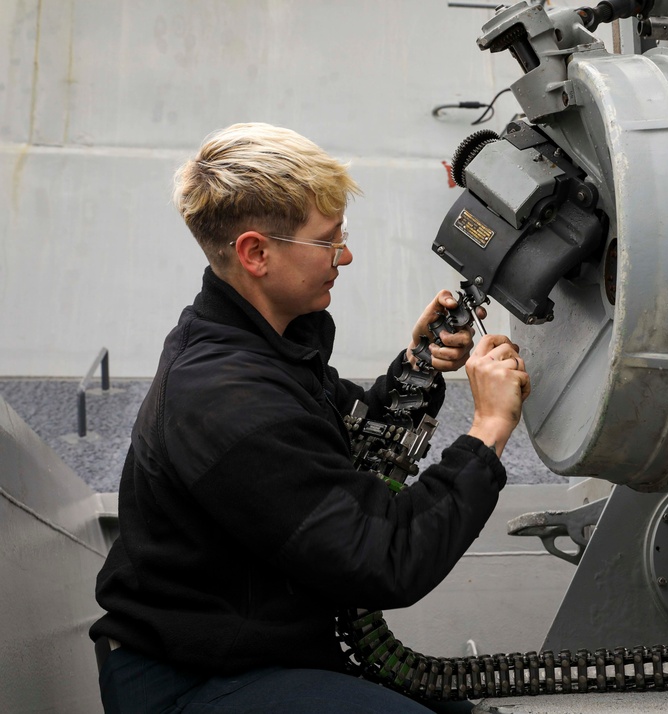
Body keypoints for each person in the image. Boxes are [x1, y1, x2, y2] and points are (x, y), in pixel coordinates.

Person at [90, 122, 531, 713]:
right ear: (256, 253)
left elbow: (343, 436)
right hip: (190, 684)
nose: (345, 255)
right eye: (328, 241)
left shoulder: (262, 345)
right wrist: (488, 430)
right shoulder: (225, 396)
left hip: (254, 656)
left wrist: (418, 367)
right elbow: (384, 556)